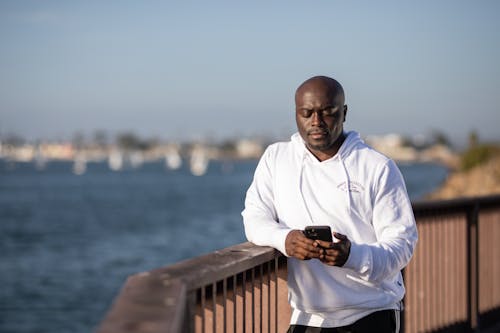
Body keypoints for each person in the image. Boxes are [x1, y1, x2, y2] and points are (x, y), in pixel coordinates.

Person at [242, 75, 418, 332]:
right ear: (296, 114)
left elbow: (402, 244)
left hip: (371, 313)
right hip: (307, 317)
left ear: (343, 113)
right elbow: (254, 217)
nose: (316, 122)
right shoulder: (276, 159)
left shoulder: (377, 167)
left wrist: (352, 256)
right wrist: (285, 239)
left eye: (327, 112)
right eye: (307, 112)